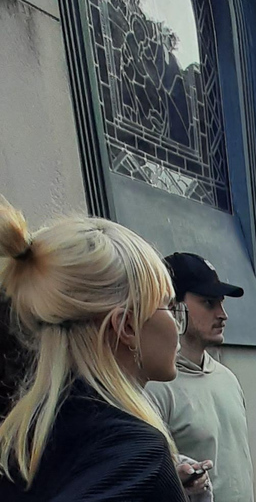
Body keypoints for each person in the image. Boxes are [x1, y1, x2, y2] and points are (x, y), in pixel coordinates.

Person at [0, 197, 209, 500]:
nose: (176, 325)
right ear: (126, 326)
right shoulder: (138, 453)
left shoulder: (19, 440)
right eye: (167, 305)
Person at [145, 252, 254, 502]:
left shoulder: (228, 379)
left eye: (222, 303)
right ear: (174, 307)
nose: (222, 314)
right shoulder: (154, 388)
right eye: (209, 302)